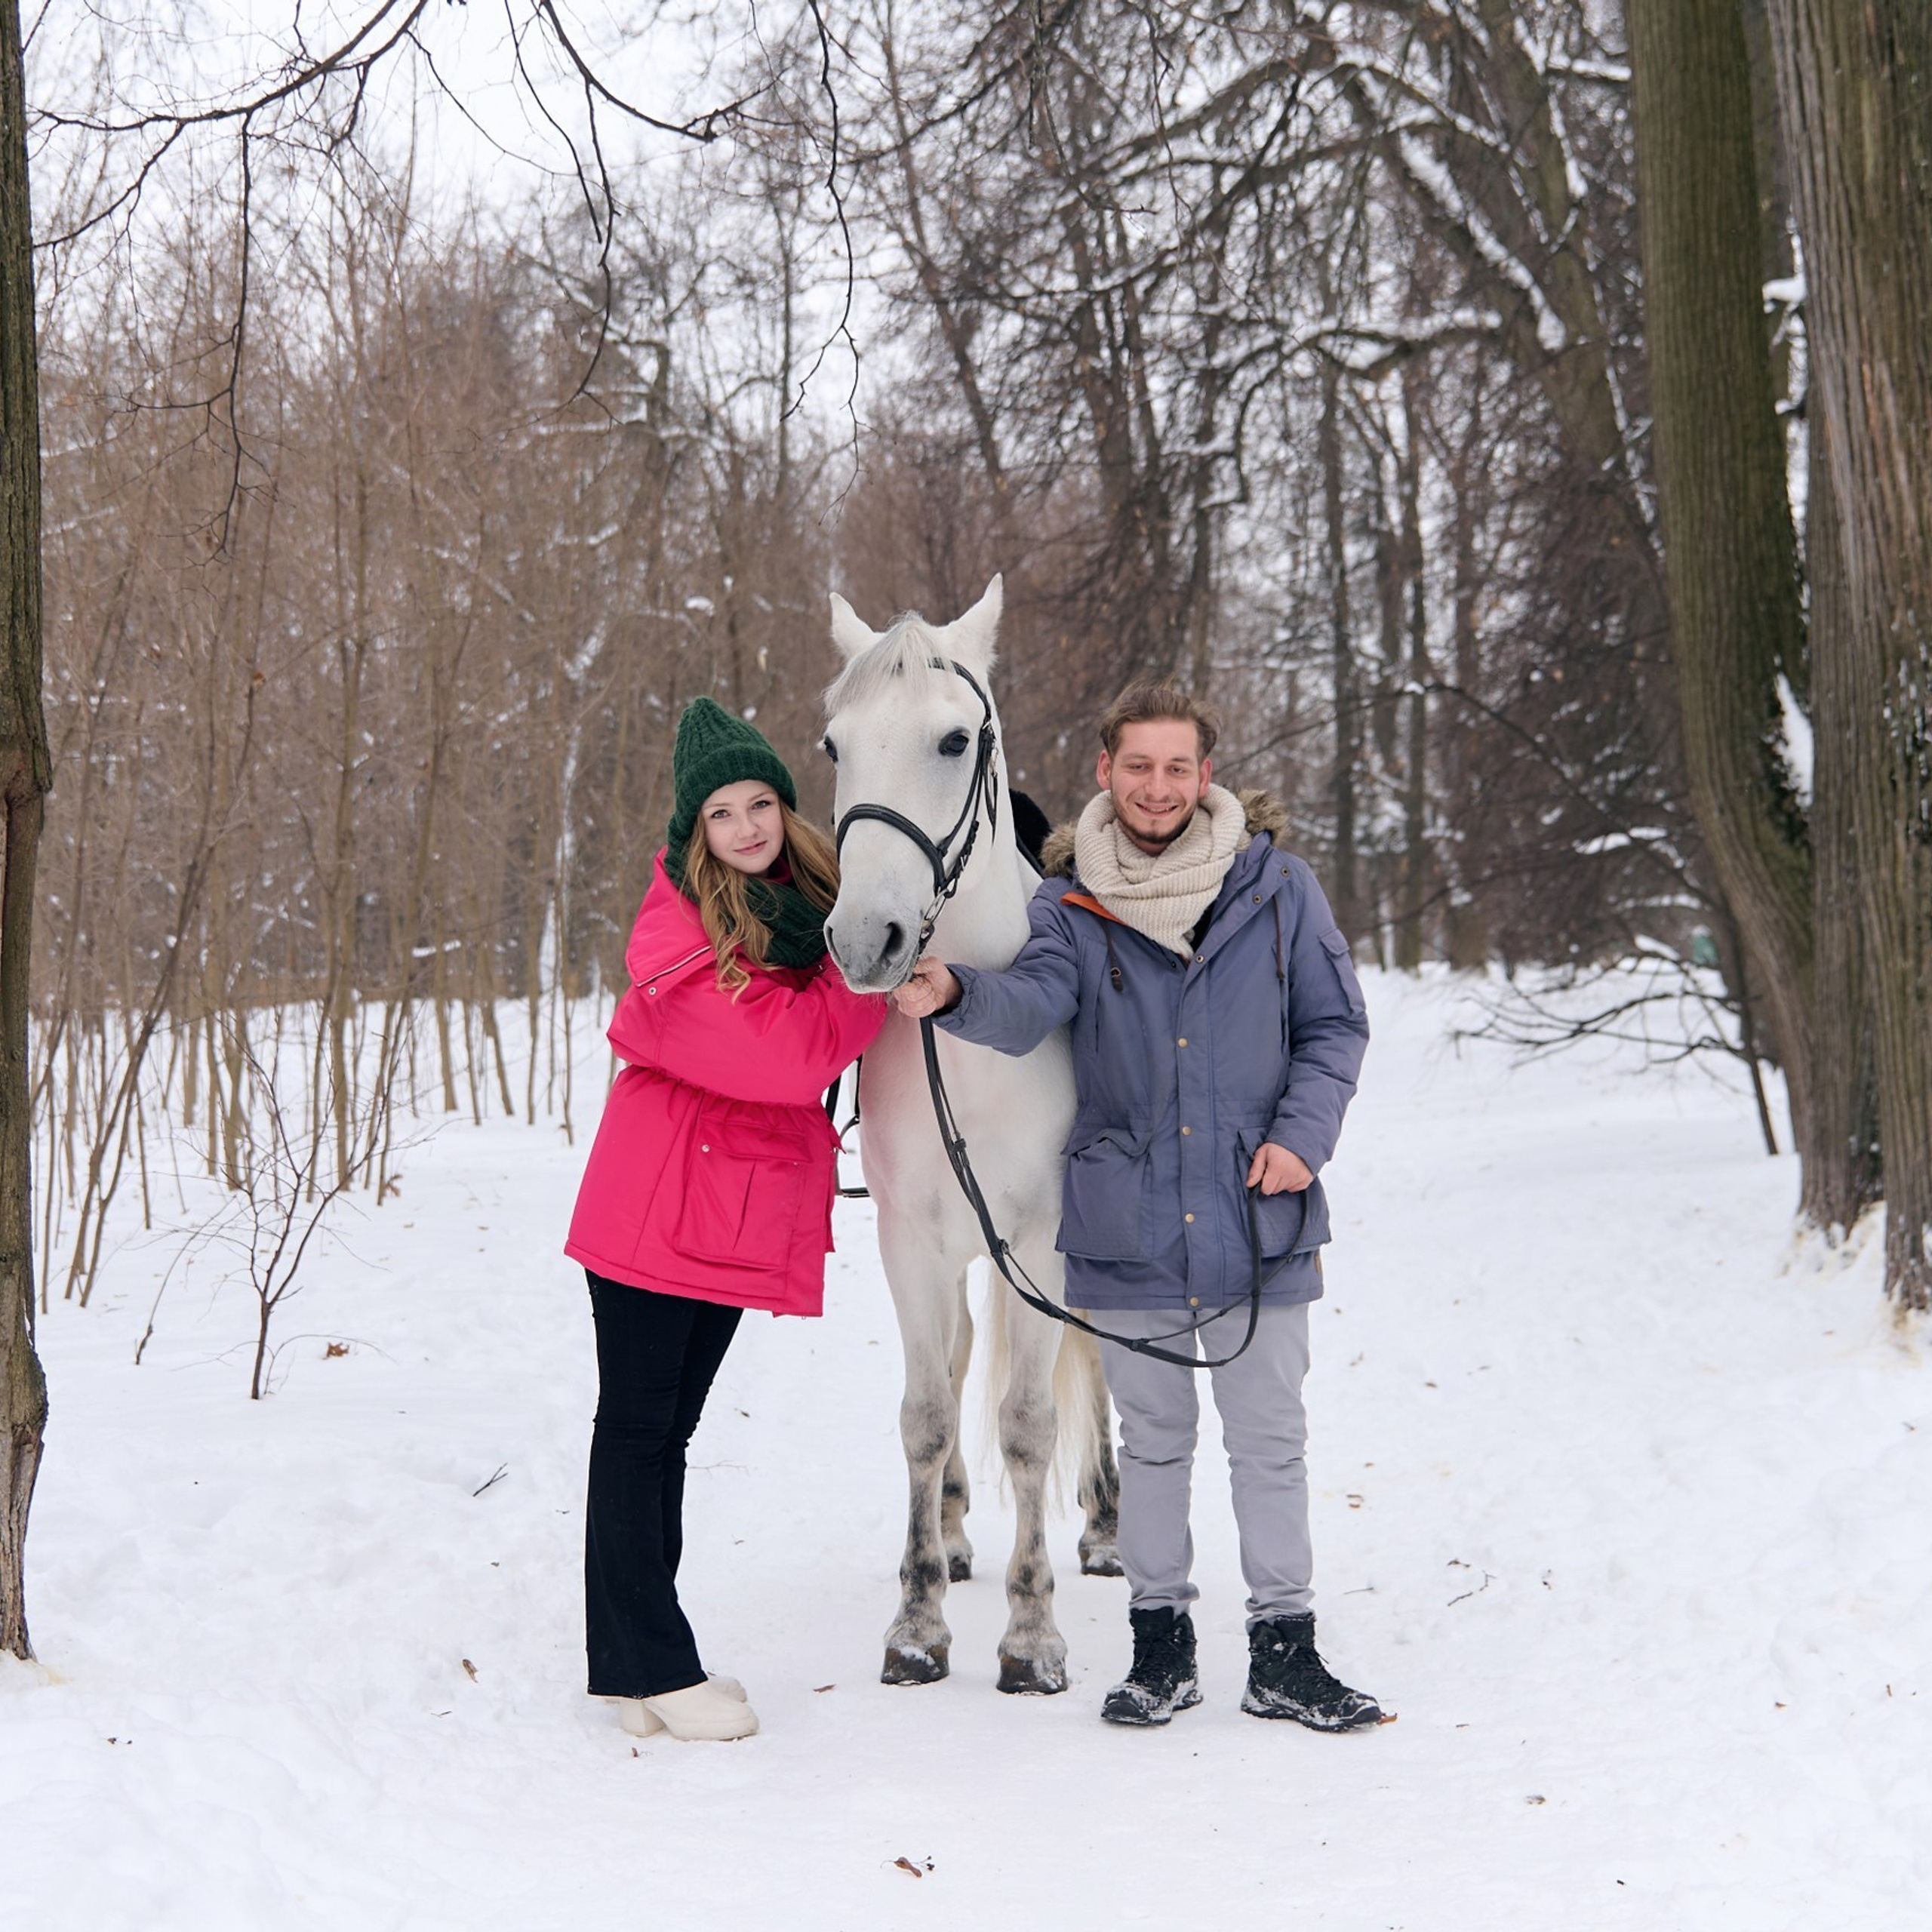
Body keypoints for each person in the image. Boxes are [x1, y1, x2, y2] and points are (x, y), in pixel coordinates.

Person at [893, 679, 1380, 1730]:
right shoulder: (1067, 906)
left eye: (1177, 767)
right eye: (1137, 766)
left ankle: (1285, 1652)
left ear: (1207, 777)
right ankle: (1160, 1648)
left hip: (1258, 1218)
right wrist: (957, 995)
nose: (1157, 787)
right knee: (1153, 1445)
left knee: (1269, 1443)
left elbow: (1335, 1028)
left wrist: (1302, 1139)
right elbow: (1032, 1006)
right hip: (1131, 1227)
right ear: (1105, 775)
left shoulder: (1277, 890)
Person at [565, 699, 885, 1743]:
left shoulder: (805, 906)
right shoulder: (680, 924)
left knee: (665, 1434)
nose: (747, 827)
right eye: (721, 813)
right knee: (639, 1432)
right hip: (657, 1205)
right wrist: (871, 979)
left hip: (714, 1210)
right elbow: (784, 1057)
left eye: (761, 804)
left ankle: (637, 1668)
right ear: (692, 833)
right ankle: (648, 1664)